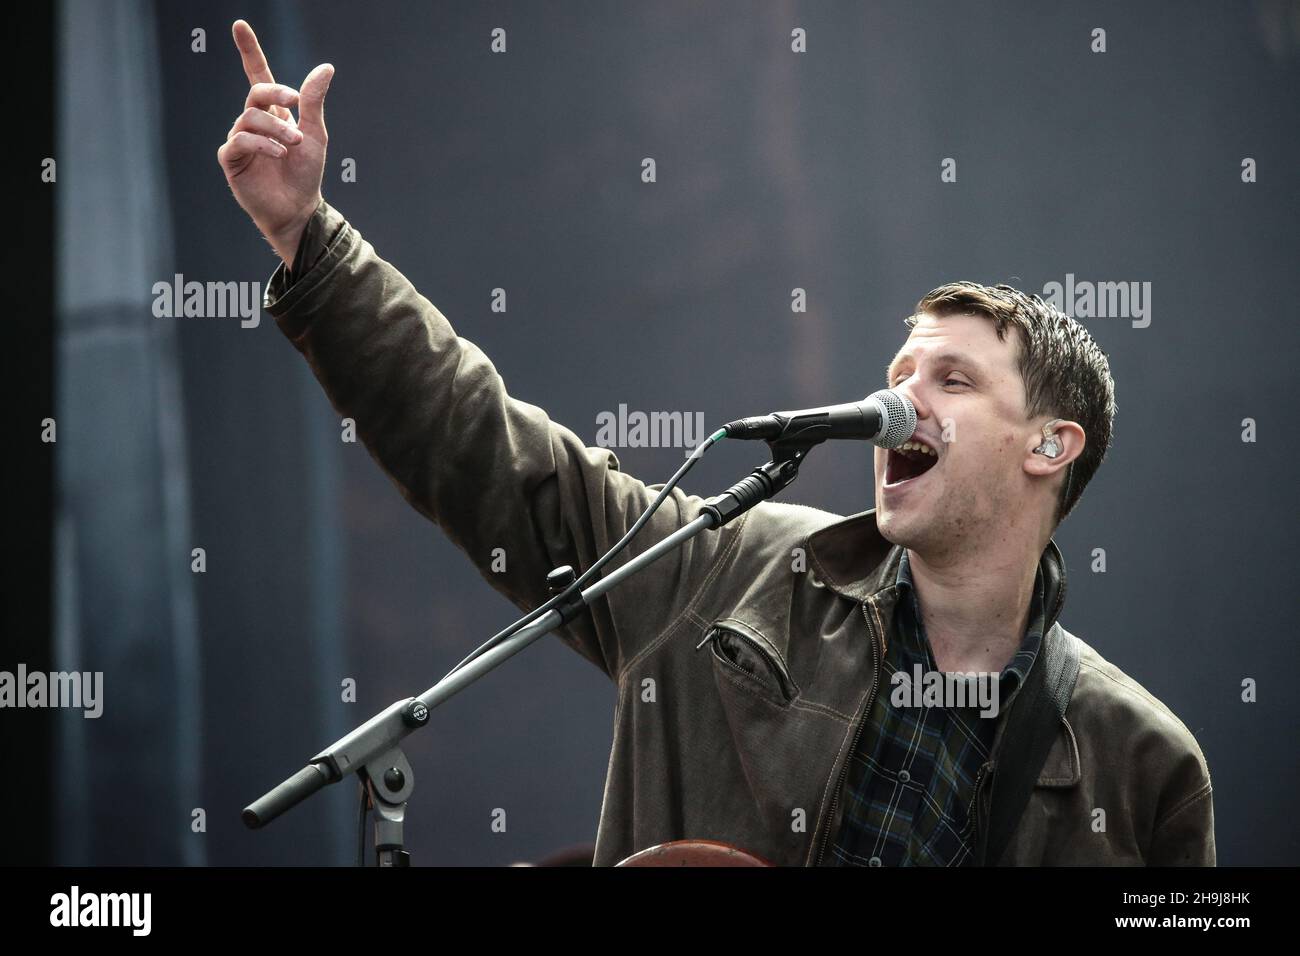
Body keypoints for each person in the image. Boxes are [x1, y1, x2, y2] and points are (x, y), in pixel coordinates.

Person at [218, 20, 1214, 866]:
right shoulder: (735, 570)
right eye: (899, 371)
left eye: (952, 379)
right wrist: (311, 238)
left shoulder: (1142, 765)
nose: (900, 399)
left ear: (1050, 444)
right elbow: (494, 458)